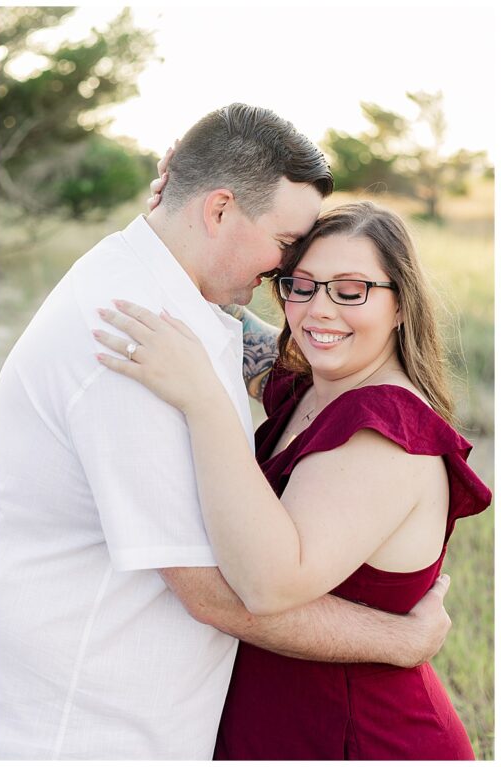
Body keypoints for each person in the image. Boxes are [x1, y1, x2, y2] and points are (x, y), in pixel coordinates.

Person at [0, 104, 455, 760]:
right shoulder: (135, 338)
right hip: (97, 722)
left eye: (348, 288)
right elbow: (213, 589)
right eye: (291, 258)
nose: (287, 275)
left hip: (329, 732)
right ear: (217, 211)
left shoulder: (176, 299)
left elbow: (288, 356)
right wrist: (401, 640)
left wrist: (179, 204)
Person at [96, 201, 491, 758]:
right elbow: (217, 302)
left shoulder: (385, 433)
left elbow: (265, 587)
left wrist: (204, 399)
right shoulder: (314, 387)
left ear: (401, 304)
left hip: (358, 736)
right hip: (285, 723)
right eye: (299, 286)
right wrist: (176, 206)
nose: (318, 311)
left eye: (350, 290)